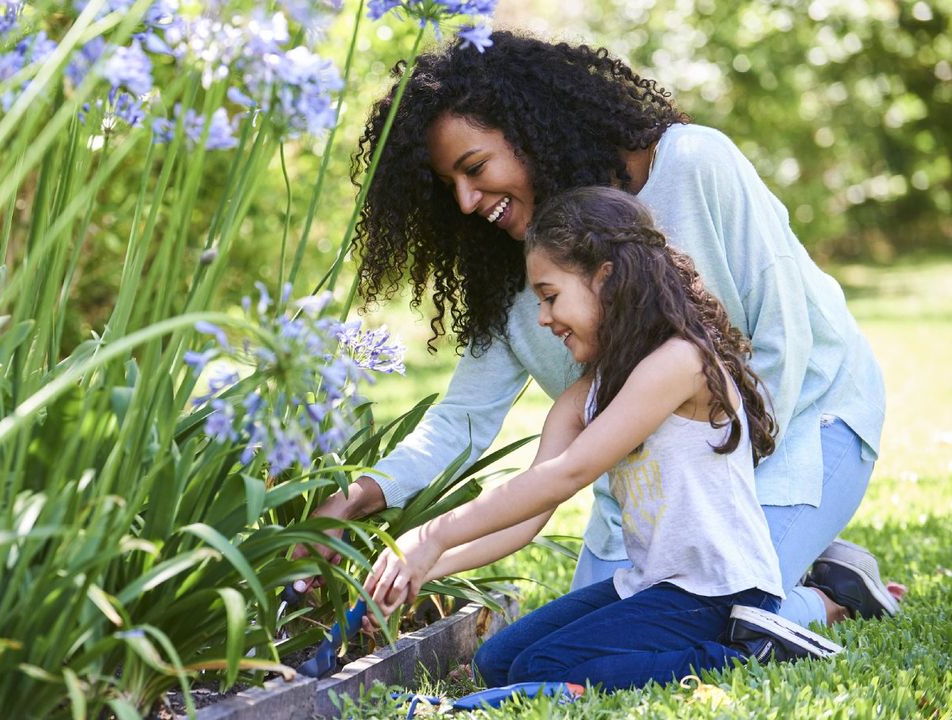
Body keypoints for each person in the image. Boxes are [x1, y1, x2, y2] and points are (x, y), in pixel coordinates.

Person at [297, 32, 897, 630]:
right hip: (656, 487)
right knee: (587, 631)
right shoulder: (518, 277)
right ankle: (810, 565)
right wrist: (360, 495)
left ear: (530, 129)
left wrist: (722, 509)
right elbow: (461, 420)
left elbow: (783, 340)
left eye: (475, 168)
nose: (464, 200)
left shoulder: (692, 164)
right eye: (448, 184)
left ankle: (825, 598)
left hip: (804, 425)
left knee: (714, 617)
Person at [363, 186, 843, 689]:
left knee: (540, 669)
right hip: (651, 586)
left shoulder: (681, 363)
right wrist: (423, 569)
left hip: (720, 593)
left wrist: (432, 534)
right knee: (497, 663)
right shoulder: (584, 396)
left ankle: (758, 652)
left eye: (550, 296)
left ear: (606, 280)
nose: (543, 318)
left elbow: (568, 474)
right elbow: (527, 515)